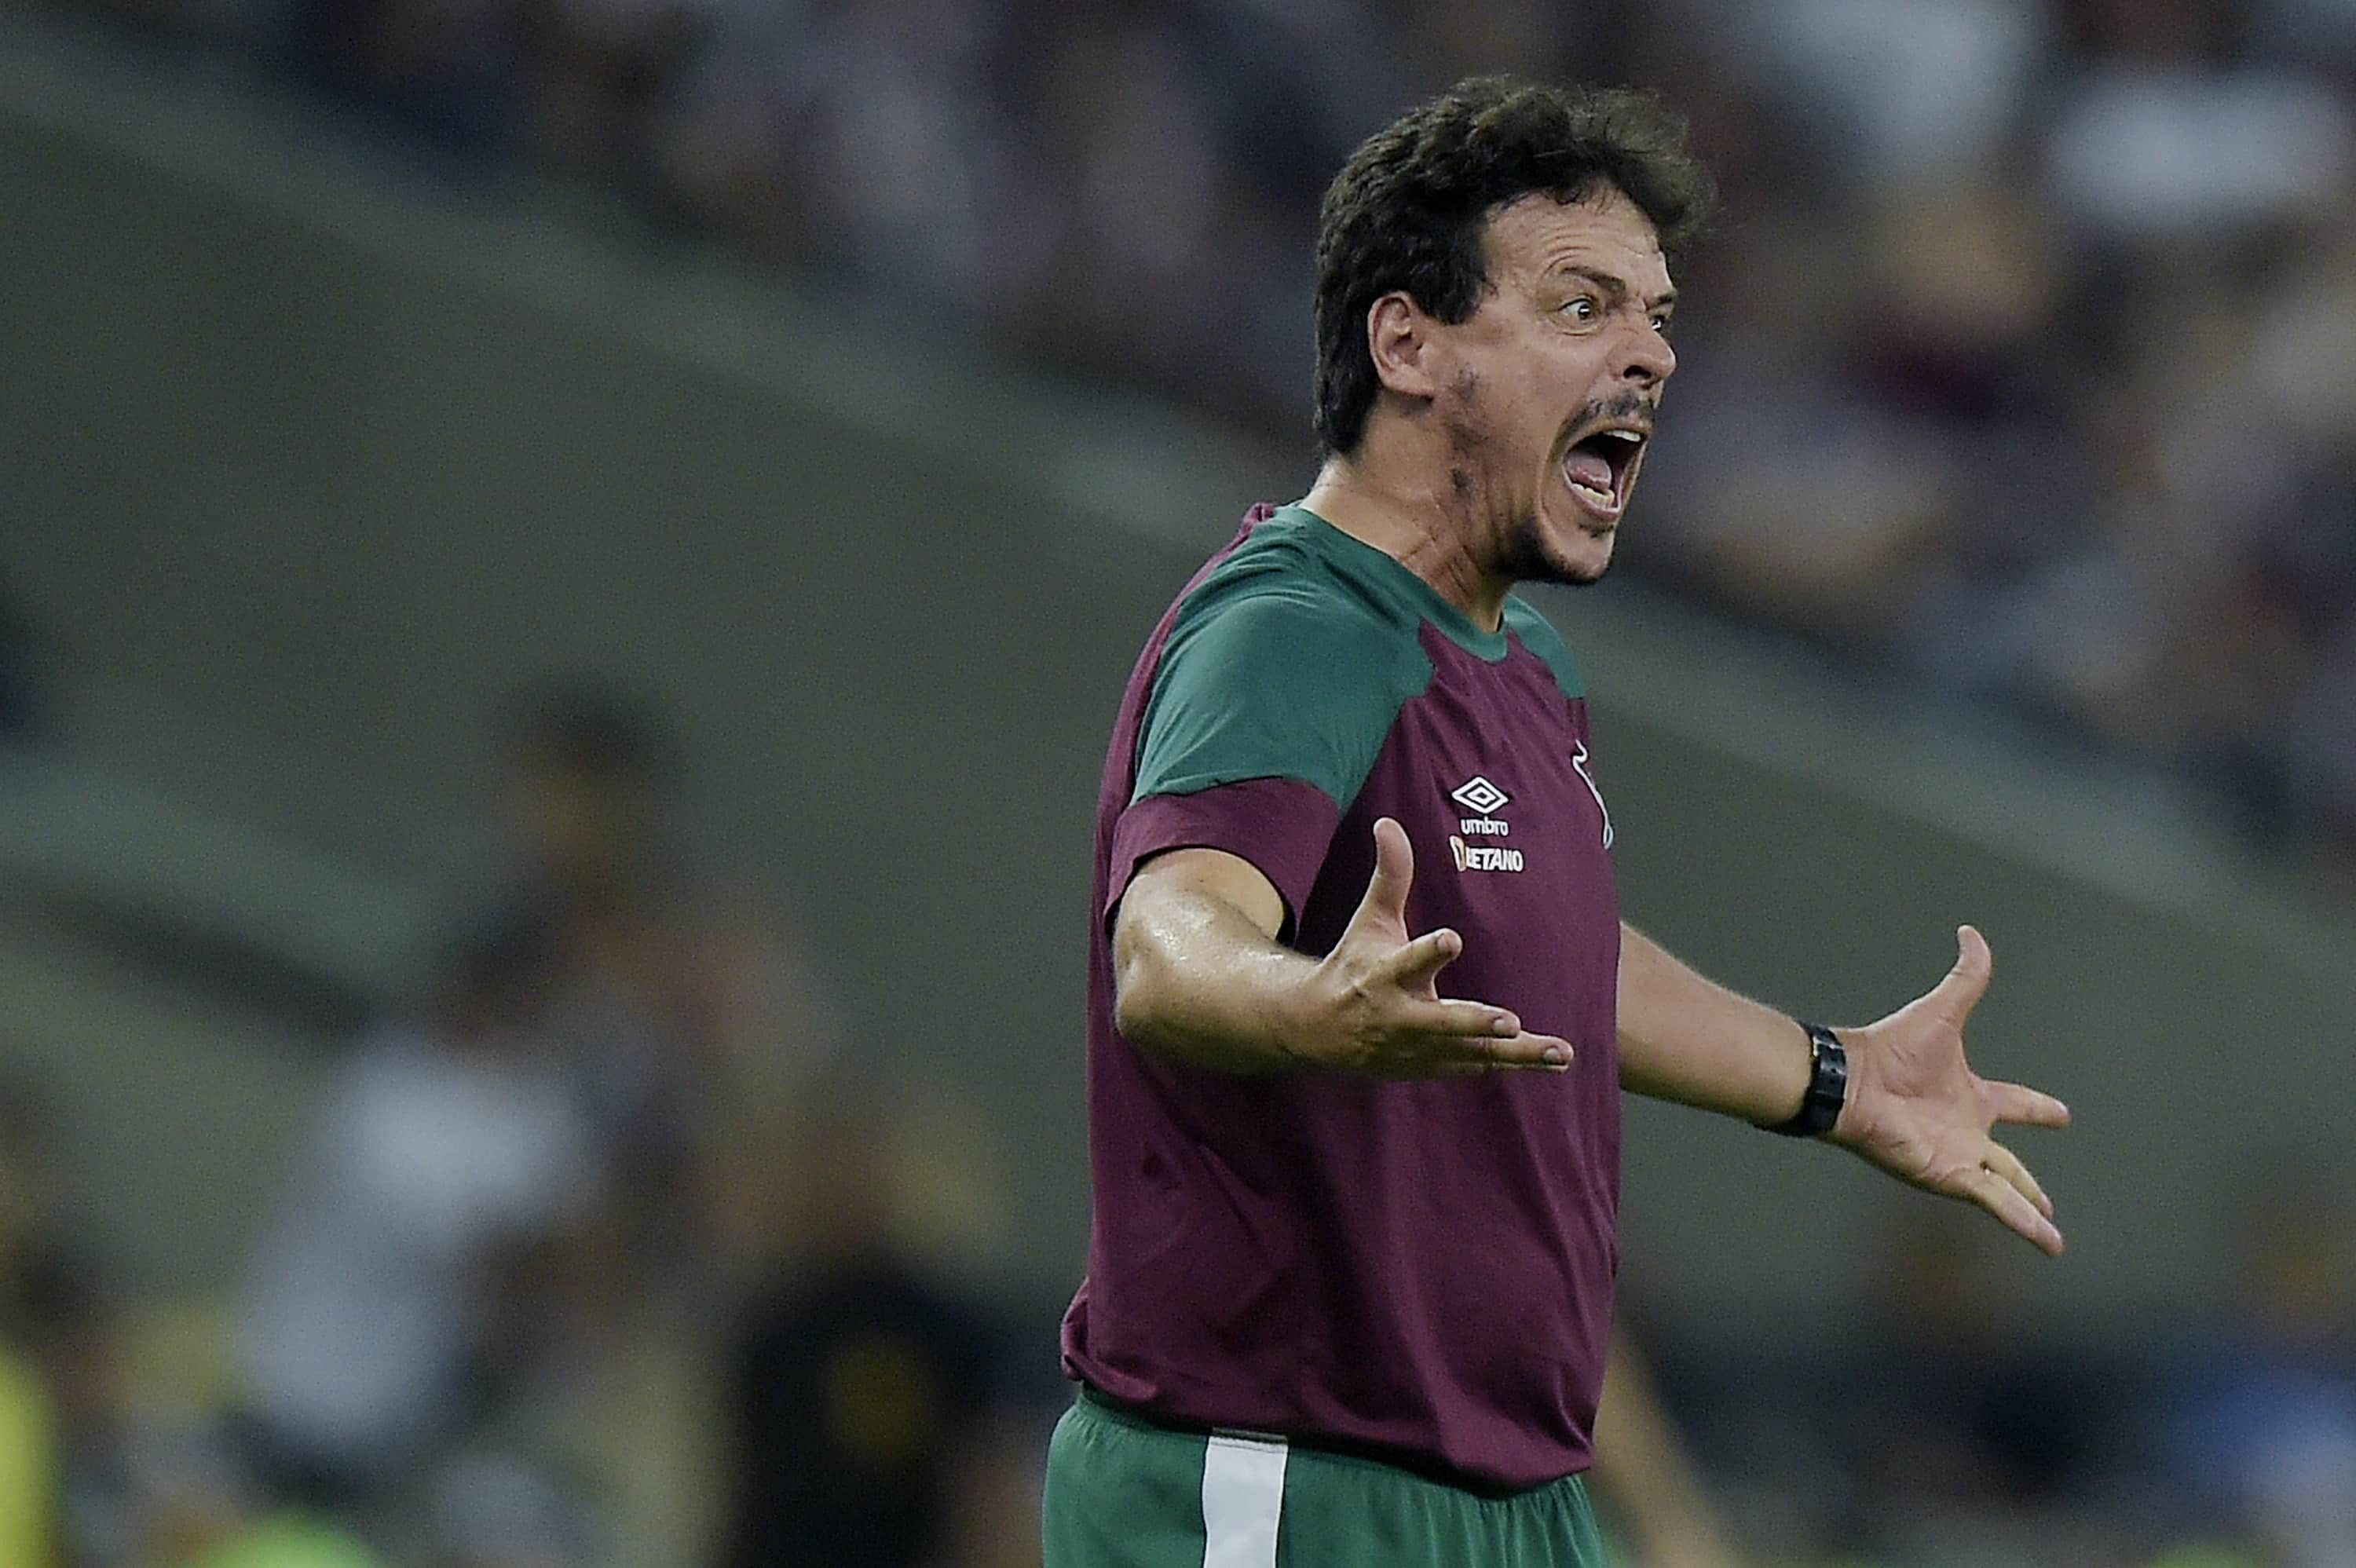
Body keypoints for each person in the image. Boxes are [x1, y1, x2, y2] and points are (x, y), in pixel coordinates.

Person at [1042, 75, 2071, 1568]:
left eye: (1658, 316)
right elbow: (1172, 935)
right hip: (1283, 1478)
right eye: (1585, 305)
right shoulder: (1295, 626)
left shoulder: (1519, 661)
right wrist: (1300, 995)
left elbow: (1555, 961)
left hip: (1516, 1495)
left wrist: (1839, 1080)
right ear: (1409, 342)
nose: (1652, 353)